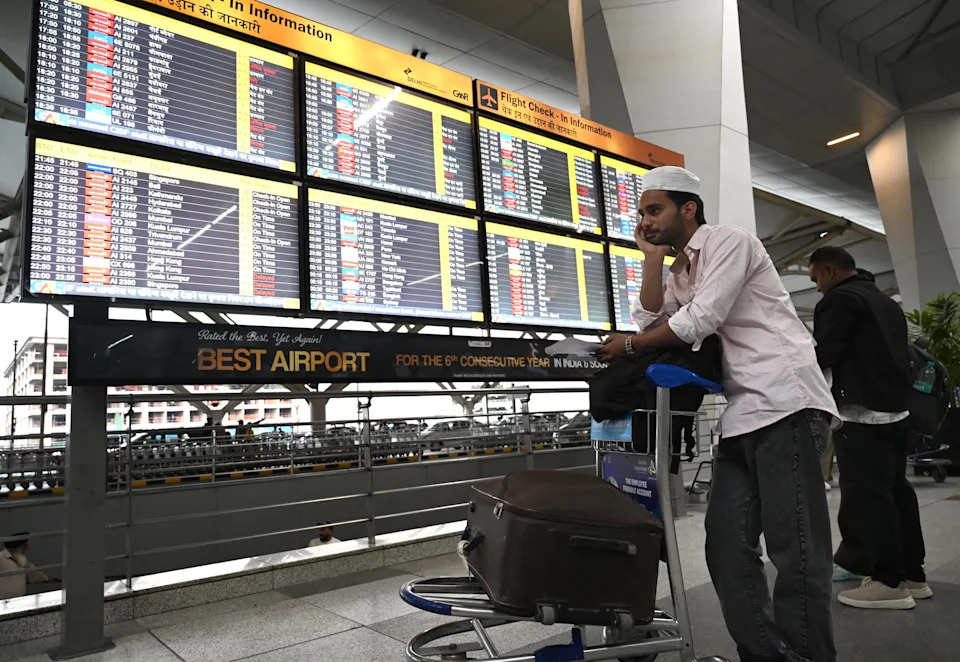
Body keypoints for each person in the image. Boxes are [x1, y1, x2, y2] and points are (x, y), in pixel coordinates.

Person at [598, 166, 838, 662]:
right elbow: (650, 318)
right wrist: (652, 259)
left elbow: (697, 320)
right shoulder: (680, 270)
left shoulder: (730, 241)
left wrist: (632, 347)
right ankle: (765, 654)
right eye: (641, 212)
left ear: (688, 208)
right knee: (726, 545)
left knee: (795, 549)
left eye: (654, 210)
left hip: (787, 402)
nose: (644, 220)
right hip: (743, 413)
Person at [809, 247, 931, 609]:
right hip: (896, 410)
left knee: (869, 497)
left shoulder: (838, 301)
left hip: (860, 412)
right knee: (897, 491)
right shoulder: (885, 301)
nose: (816, 287)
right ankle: (914, 575)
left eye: (816, 278)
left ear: (830, 271)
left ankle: (888, 582)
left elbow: (824, 354)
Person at [0, 533, 50, 599]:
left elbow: (35, 574)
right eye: (24, 546)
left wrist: (47, 579)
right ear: (15, 547)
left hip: (20, 600)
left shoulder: (21, 559)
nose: (27, 548)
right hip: (2, 601)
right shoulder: (1, 557)